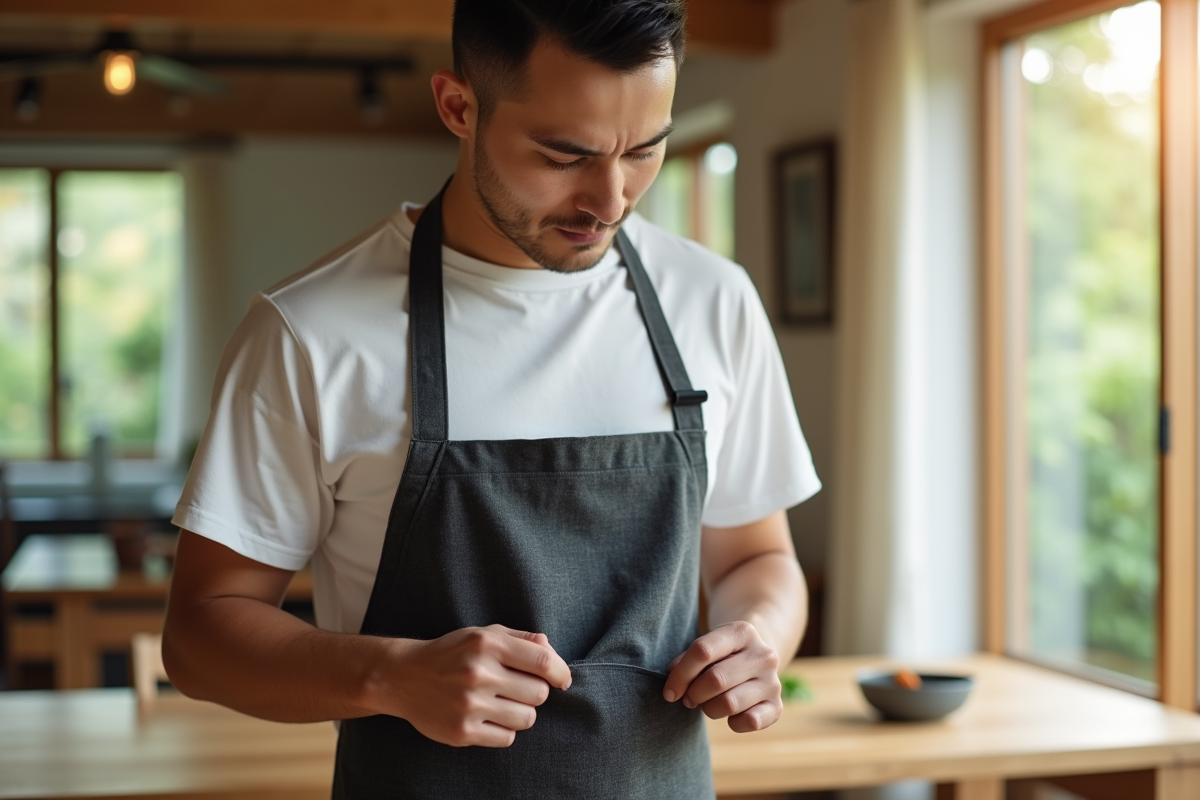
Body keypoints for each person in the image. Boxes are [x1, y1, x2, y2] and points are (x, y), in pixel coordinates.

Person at [162, 1, 821, 797]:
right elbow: (200, 636)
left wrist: (760, 639)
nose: (610, 199)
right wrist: (392, 675)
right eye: (564, 154)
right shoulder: (310, 331)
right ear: (458, 107)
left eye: (645, 149)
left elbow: (758, 557)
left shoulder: (713, 299)